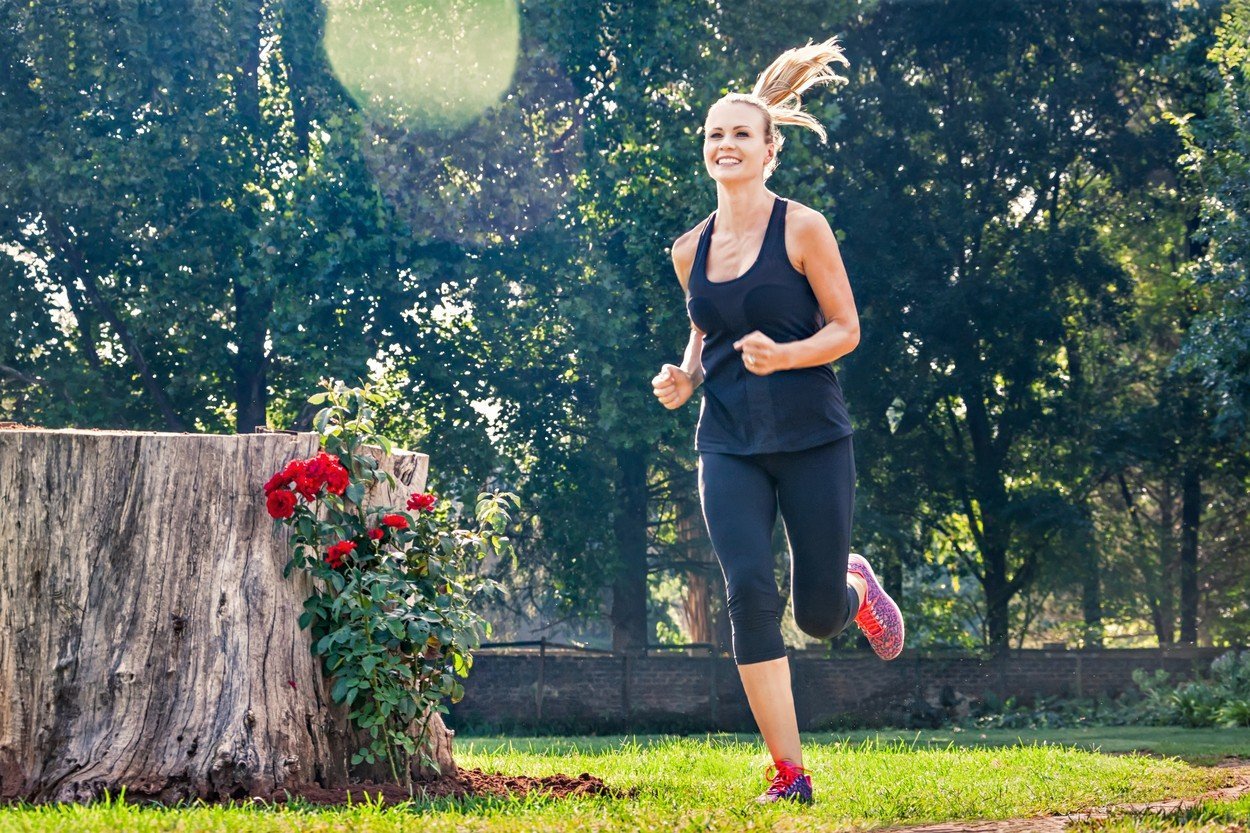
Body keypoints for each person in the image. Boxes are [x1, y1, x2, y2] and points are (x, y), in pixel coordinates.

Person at [652, 37, 905, 805]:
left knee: (818, 615)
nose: (725, 144)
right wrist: (685, 377)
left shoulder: (802, 228)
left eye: (741, 133)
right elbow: (704, 329)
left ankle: (853, 584)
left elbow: (846, 329)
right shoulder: (688, 249)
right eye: (714, 134)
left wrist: (786, 355)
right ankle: (790, 773)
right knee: (748, 592)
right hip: (727, 441)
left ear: (770, 150)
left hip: (811, 438)